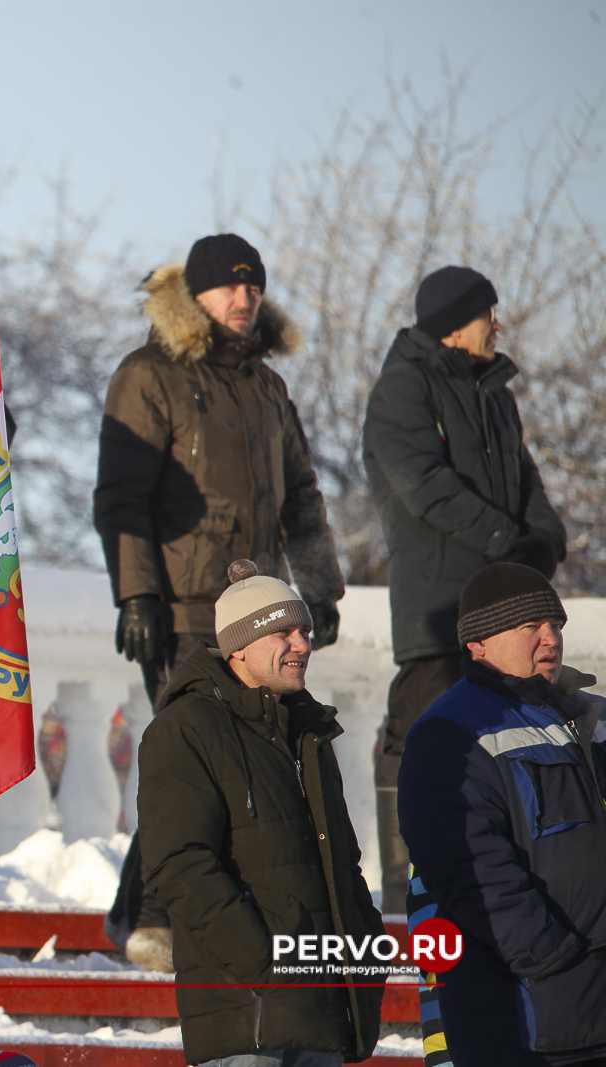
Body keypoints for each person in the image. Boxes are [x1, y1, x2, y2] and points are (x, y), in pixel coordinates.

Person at [95, 234, 346, 971]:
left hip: (257, 610)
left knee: (242, 760)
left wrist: (319, 589)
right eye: (230, 288)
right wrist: (137, 592)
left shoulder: (268, 388)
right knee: (197, 759)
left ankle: (141, 910)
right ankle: (151, 920)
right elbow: (121, 498)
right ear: (194, 296)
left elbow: (302, 497)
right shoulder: (148, 375)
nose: (244, 299)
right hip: (179, 607)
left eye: (254, 288)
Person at [363, 265, 567, 914]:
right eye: (488, 314)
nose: (497, 325)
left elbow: (527, 483)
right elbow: (423, 485)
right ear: (455, 323)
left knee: (513, 734)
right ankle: (407, 897)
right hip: (435, 611)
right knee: (423, 738)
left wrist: (542, 540)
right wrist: (506, 539)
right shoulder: (402, 390)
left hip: (505, 608)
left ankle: (503, 885)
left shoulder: (495, 394)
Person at [137, 560, 384, 1067]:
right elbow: (178, 865)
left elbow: (342, 862)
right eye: (284, 632)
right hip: (246, 1019)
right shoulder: (185, 728)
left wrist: (365, 951)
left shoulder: (309, 732)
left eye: (305, 632)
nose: (302, 645)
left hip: (323, 1010)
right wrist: (262, 963)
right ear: (239, 647)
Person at [397, 564, 606, 1067]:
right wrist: (551, 958)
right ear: (479, 644)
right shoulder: (449, 731)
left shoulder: (595, 718)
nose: (549, 638)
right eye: (529, 626)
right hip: (528, 1016)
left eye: (554, 624)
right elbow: (471, 873)